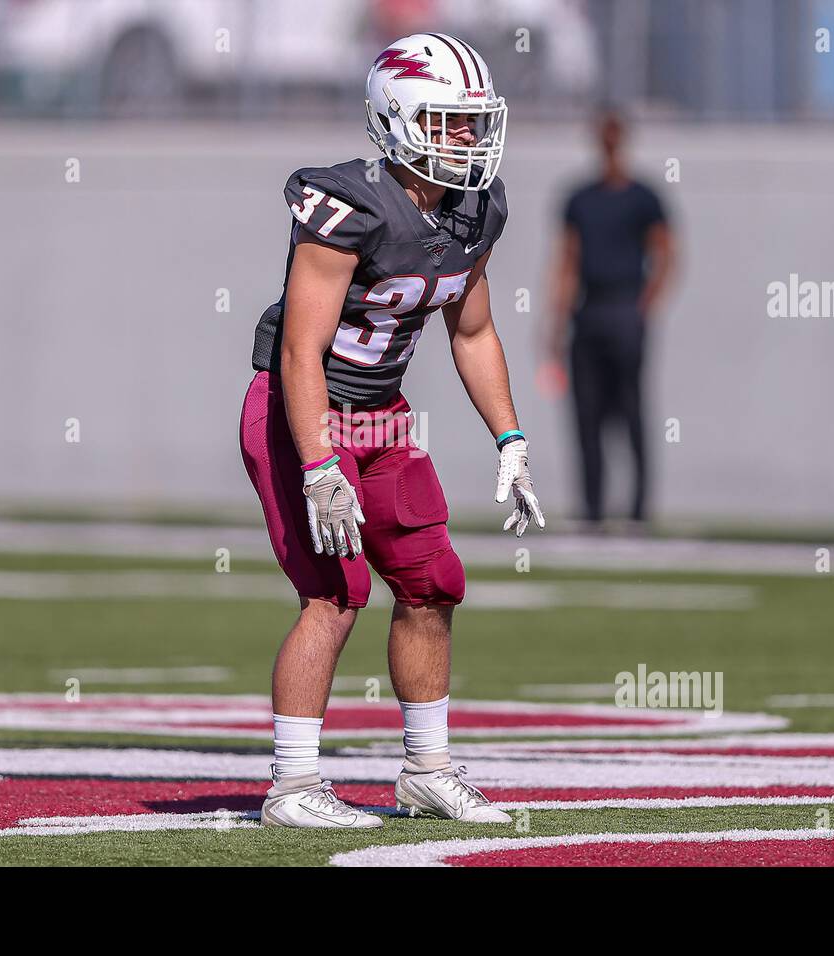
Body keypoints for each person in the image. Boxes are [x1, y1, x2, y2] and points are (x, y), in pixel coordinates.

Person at [240, 33, 545, 828]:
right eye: (447, 122)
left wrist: (510, 442)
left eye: (475, 123)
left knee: (433, 583)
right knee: (336, 595)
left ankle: (426, 771)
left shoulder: (478, 208)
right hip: (301, 411)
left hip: (385, 419)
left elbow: (472, 333)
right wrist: (317, 466)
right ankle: (294, 786)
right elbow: (301, 350)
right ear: (396, 118)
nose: (468, 141)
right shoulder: (347, 201)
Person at [544, 109, 675, 526]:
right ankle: (592, 508)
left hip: (625, 308)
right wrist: (557, 320)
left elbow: (666, 253)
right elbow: (567, 259)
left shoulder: (644, 197)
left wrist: (643, 306)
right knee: (587, 412)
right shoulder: (580, 198)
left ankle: (638, 509)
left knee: (631, 411)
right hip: (590, 309)